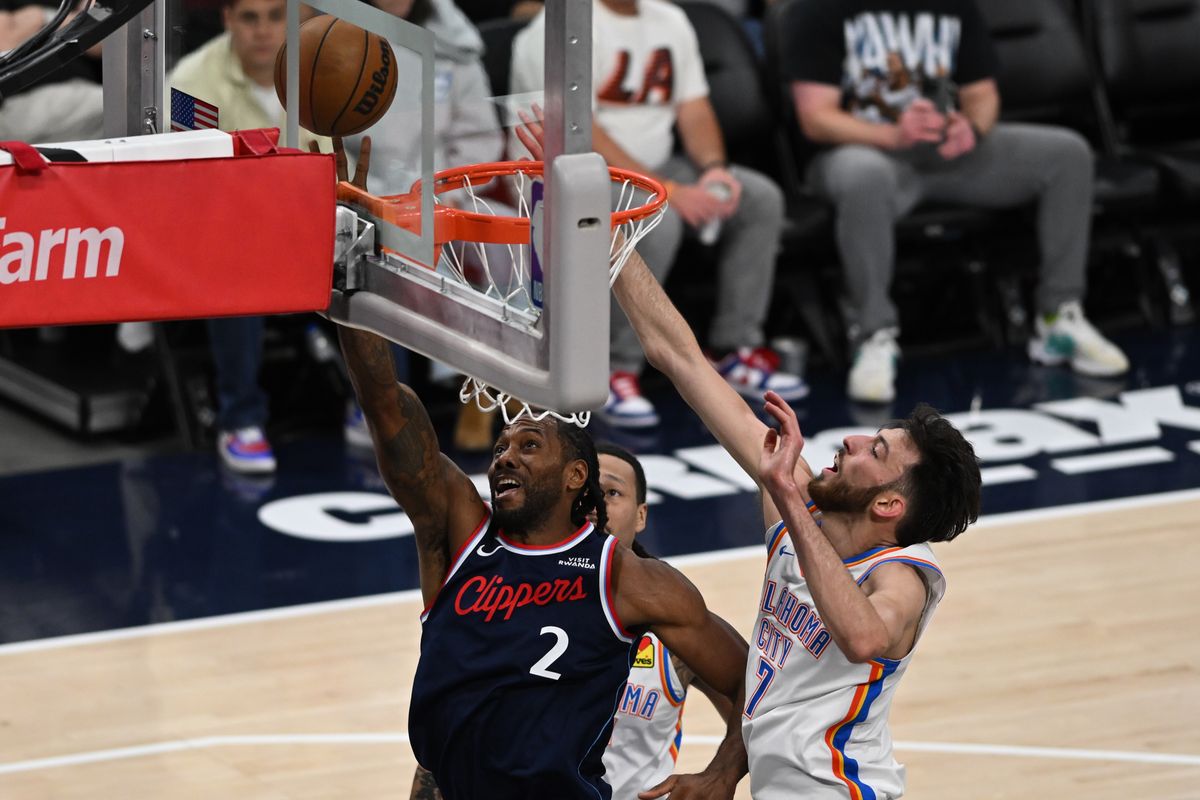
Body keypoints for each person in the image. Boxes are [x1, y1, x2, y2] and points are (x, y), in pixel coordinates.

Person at [520, 116, 981, 797]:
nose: (851, 439)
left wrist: (789, 498)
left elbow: (862, 638)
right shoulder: (800, 506)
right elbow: (680, 356)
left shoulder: (903, 576)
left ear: (890, 503)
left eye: (874, 449)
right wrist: (597, 216)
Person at [336, 138, 749, 800]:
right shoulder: (461, 531)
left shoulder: (626, 578)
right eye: (502, 445)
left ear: (576, 477)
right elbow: (386, 408)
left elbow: (745, 682)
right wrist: (351, 260)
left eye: (529, 446)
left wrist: (723, 774)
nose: (505, 454)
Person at [781, 0, 1129, 404]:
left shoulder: (952, 4)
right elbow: (815, 117)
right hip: (863, 153)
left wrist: (973, 128)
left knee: (1067, 154)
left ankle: (1058, 317)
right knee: (864, 178)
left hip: (945, 156)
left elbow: (981, 93)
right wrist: (893, 136)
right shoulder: (817, 10)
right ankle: (873, 334)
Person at [510, 0, 807, 429]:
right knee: (655, 218)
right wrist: (667, 190)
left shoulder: (669, 19)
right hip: (573, 171)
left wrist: (713, 171)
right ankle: (614, 367)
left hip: (661, 166)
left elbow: (694, 108)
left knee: (759, 199)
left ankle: (732, 348)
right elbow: (578, 129)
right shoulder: (555, 29)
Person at [406, 442, 740, 800]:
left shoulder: (673, 619)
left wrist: (722, 774)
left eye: (611, 491)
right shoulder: (505, 605)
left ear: (641, 515)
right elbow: (451, 731)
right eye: (586, 490)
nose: (595, 502)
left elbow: (756, 698)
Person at [170, 0, 338, 472]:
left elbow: (336, 167)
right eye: (249, 17)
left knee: (376, 258)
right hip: (228, 233)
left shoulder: (322, 73)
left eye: (274, 16)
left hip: (308, 228)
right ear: (228, 20)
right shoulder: (191, 81)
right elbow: (189, 184)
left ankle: (377, 412)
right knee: (232, 266)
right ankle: (239, 419)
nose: (263, 31)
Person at [340, 0, 510, 453]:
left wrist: (443, 192)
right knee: (398, 242)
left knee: (521, 239)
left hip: (445, 190)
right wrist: (373, 195)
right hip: (360, 194)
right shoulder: (333, 37)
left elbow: (480, 142)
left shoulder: (456, 44)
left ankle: (501, 379)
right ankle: (384, 394)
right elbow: (323, 137)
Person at [0, 0, 103, 143]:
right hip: (23, 97)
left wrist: (43, 18)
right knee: (132, 111)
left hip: (81, 89)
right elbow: (5, 43)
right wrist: (76, 19)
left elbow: (101, 42)